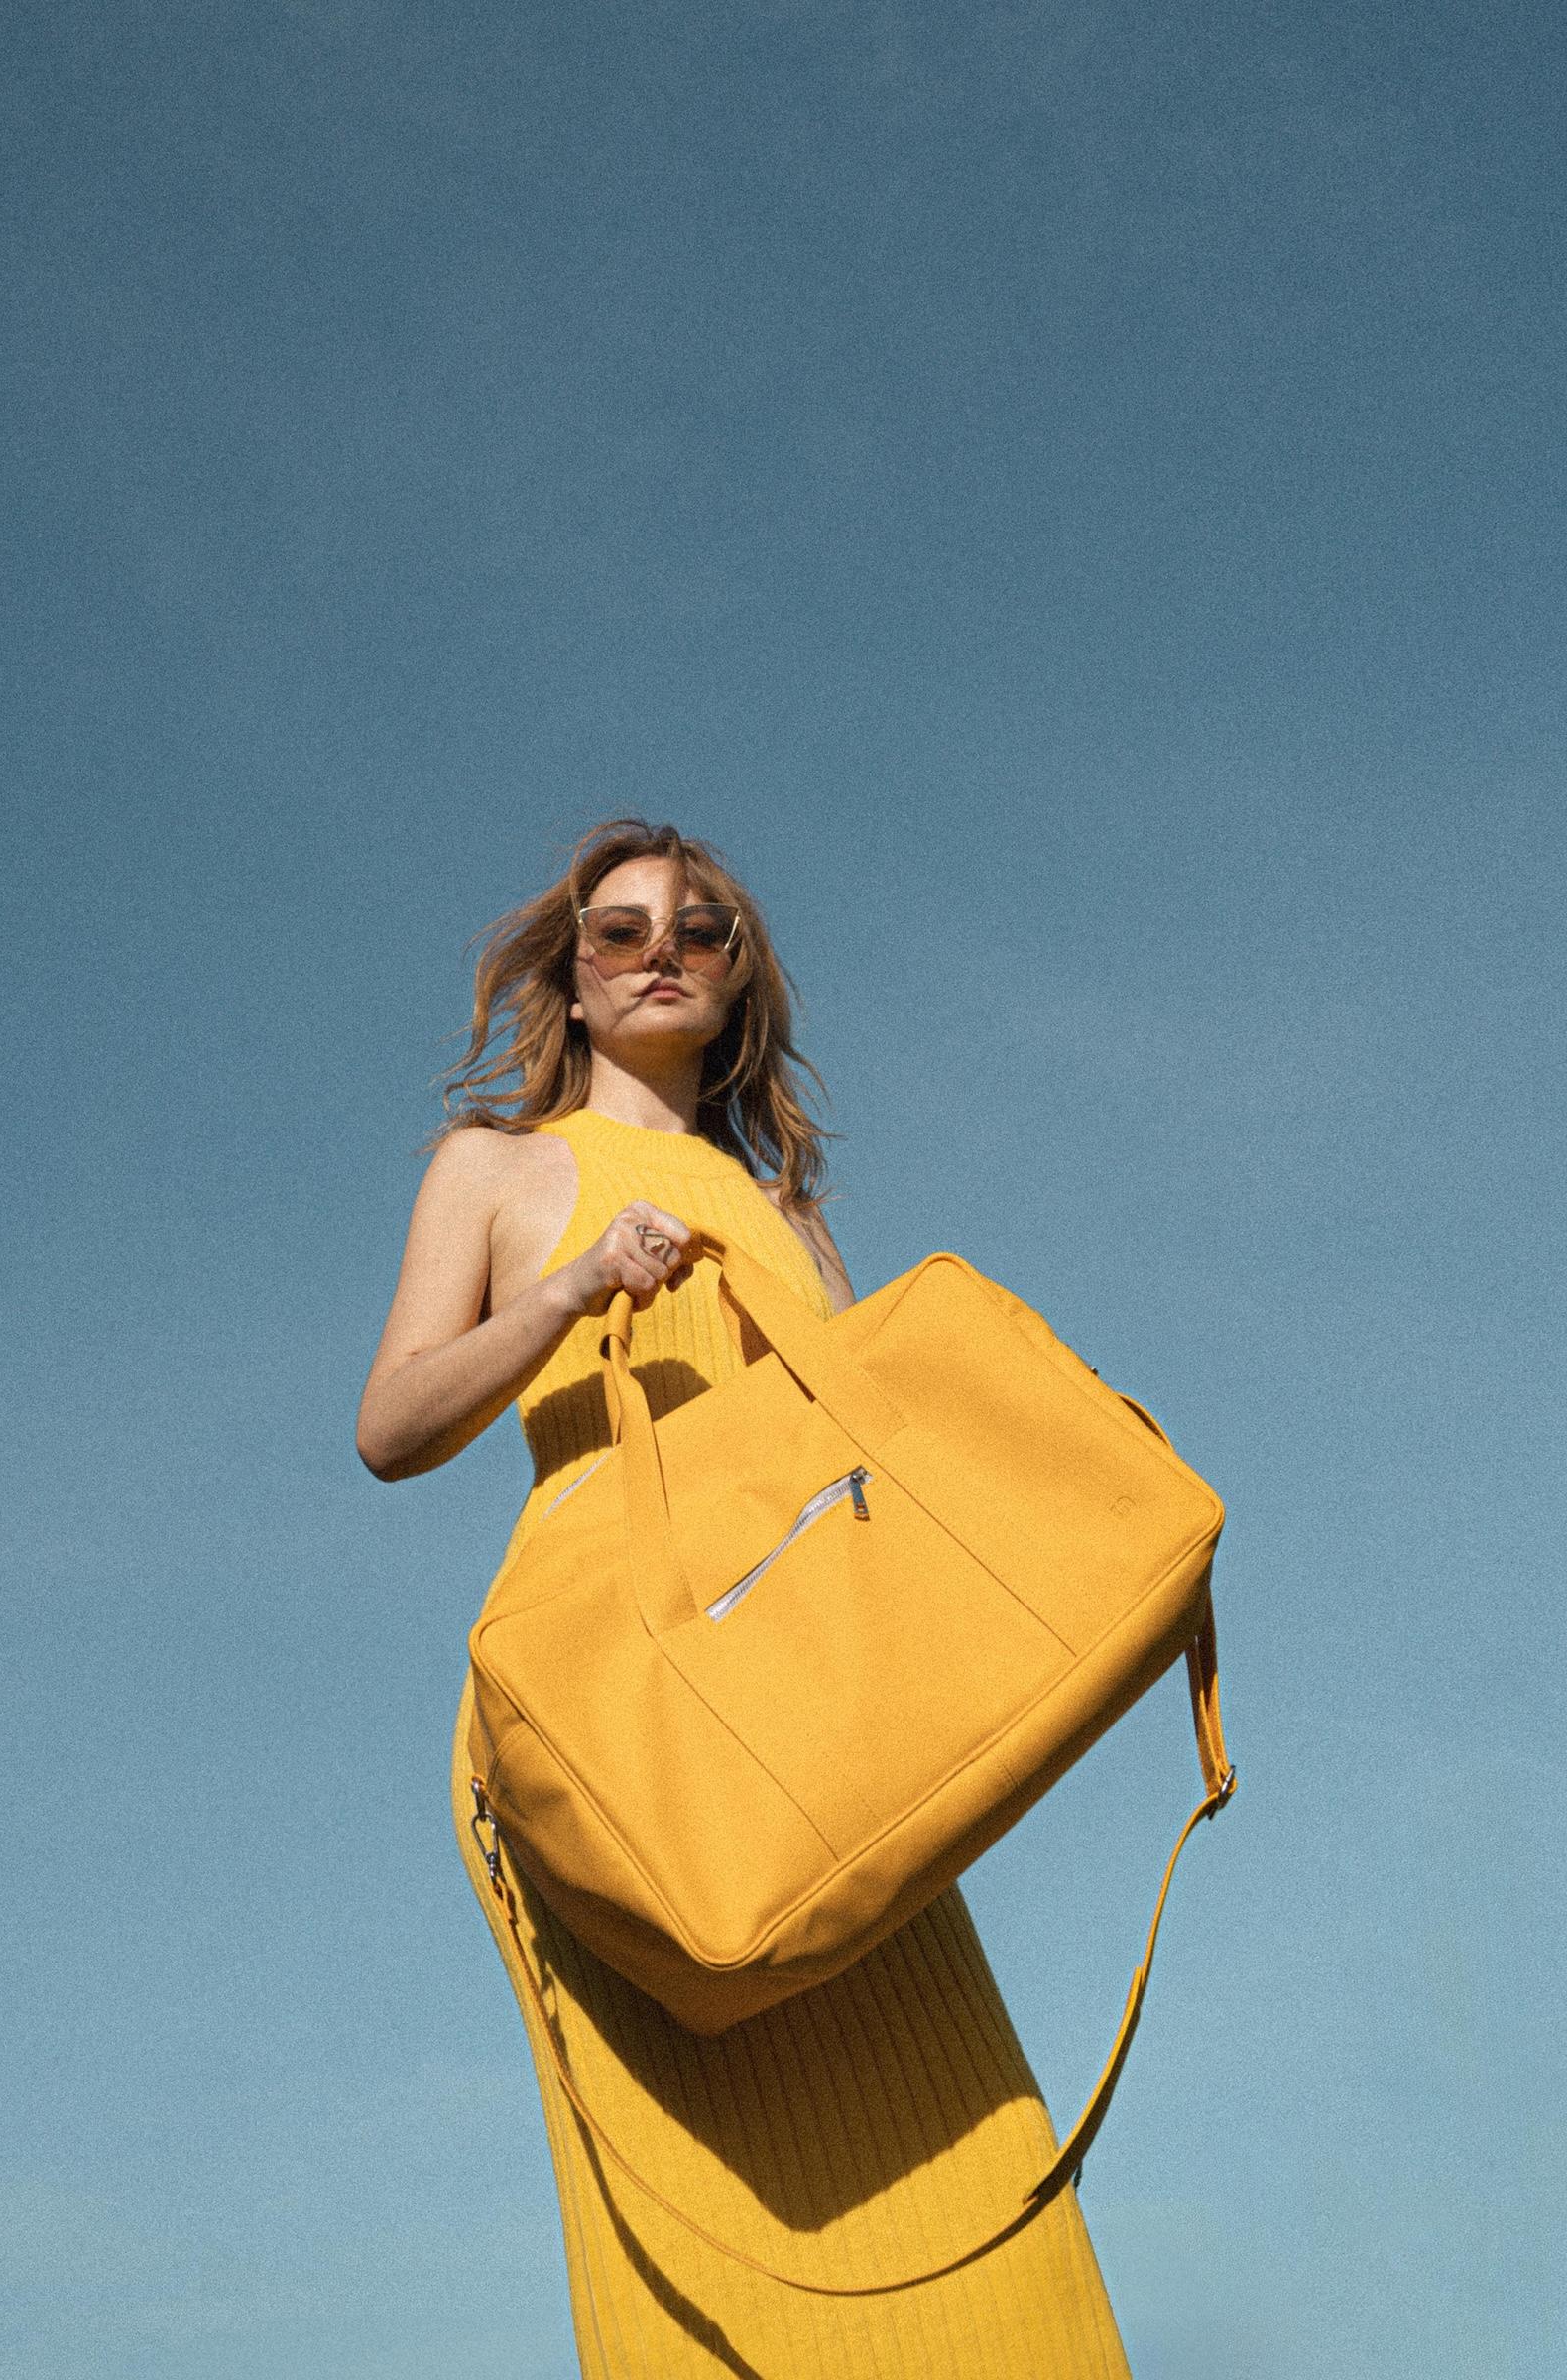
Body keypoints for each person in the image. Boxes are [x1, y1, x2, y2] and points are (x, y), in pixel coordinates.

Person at [358, 819, 1131, 2377]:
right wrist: (572, 1293)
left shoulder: (791, 1219)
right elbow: (391, 1427)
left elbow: (862, 1480)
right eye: (618, 931)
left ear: (736, 982)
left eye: (698, 933)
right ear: (570, 983)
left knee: (983, 2204)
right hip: (611, 1713)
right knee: (703, 2258)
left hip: (810, 1720)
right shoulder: (499, 1172)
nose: (658, 953)